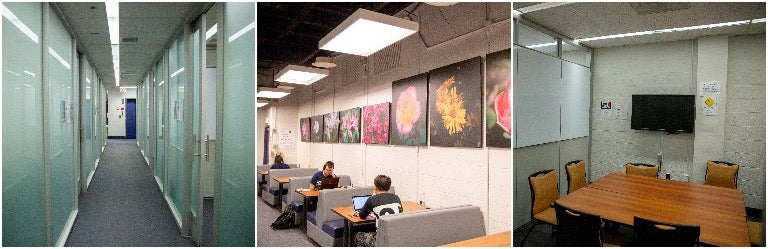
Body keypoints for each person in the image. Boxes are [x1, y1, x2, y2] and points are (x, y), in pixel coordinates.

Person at [353, 175, 403, 247]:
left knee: (357, 236)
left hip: (381, 240)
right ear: (389, 187)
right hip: (396, 237)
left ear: (375, 187)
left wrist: (373, 197)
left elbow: (362, 215)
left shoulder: (372, 199)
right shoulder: (396, 198)